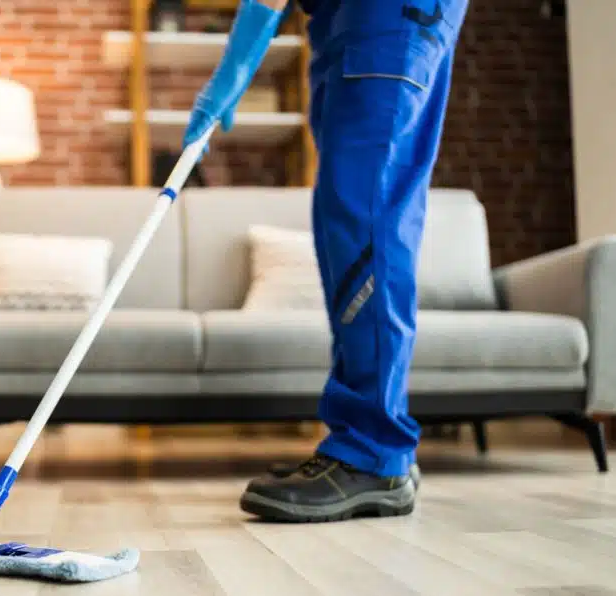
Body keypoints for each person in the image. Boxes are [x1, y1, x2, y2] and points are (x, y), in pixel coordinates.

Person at [183, 0, 468, 522]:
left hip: (386, 11)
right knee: (349, 212)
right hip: (343, 16)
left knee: (364, 211)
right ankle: (375, 442)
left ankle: (372, 452)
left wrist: (236, 65)